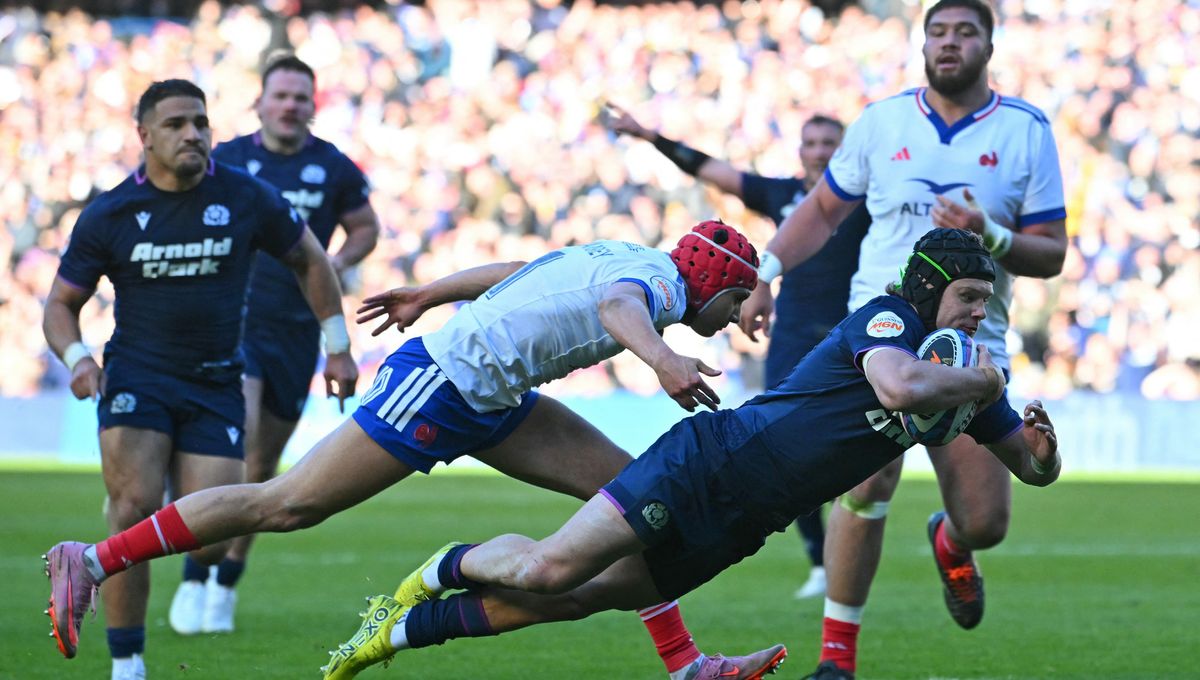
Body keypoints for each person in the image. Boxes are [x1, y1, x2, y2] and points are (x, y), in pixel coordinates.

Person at [43, 221, 787, 680]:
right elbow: (616, 310)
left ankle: (686, 665)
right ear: (714, 281)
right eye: (736, 303)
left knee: (633, 502)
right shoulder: (652, 288)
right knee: (287, 504)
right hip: (440, 385)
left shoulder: (632, 254)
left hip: (492, 396)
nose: (731, 320)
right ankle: (96, 558)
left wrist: (429, 290)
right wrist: (661, 360)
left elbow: (521, 275)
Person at [317, 228, 1062, 680]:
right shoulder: (890, 321)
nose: (978, 314)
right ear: (931, 289)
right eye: (969, 297)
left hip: (747, 520)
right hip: (709, 463)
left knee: (577, 599)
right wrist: (983, 377)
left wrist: (1042, 450)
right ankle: (445, 565)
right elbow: (898, 389)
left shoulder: (964, 377)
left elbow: (1029, 468)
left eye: (986, 302)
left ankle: (399, 631)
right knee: (551, 568)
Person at [735, 2, 1068, 677]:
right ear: (923, 44)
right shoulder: (882, 123)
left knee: (986, 523)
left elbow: (1052, 251)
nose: (949, 43)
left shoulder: (1026, 130)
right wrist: (765, 271)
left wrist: (991, 235)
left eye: (964, 32)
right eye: (938, 32)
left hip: (977, 338)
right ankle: (837, 662)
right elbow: (823, 209)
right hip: (882, 326)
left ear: (988, 45)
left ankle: (951, 541)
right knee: (867, 483)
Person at [40, 79, 358, 680]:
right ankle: (127, 664)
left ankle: (101, 562)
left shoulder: (245, 196)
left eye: (201, 122)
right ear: (145, 137)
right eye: (177, 124)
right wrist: (80, 358)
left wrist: (337, 347)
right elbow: (60, 304)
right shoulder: (110, 213)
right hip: (137, 378)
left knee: (212, 533)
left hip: (216, 383)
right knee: (132, 507)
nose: (193, 134)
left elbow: (310, 259)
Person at [601, 105, 874, 599]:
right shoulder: (784, 195)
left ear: (844, 152)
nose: (817, 152)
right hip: (792, 336)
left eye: (827, 144)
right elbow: (712, 170)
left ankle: (847, 552)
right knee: (796, 448)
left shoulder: (867, 201)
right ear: (800, 151)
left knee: (857, 452)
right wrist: (650, 136)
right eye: (810, 143)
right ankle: (819, 560)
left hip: (852, 332)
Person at [167, 54, 381, 637]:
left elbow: (366, 225)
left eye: (300, 98)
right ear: (259, 103)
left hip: (298, 328)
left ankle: (224, 581)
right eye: (280, 96)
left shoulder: (332, 167)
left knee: (263, 466)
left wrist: (333, 261)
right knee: (242, 434)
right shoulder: (228, 159)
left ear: (313, 106)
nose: (290, 106)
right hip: (234, 322)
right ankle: (194, 569)